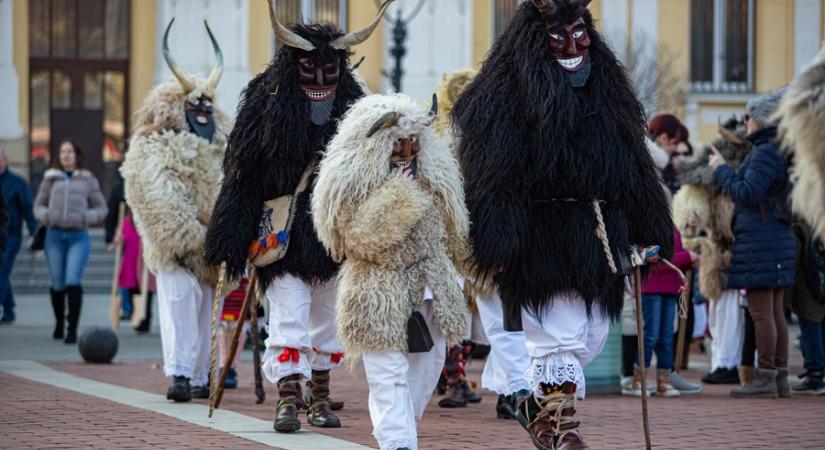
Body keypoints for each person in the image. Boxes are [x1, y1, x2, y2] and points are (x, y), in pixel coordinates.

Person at [451, 1, 673, 448]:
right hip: (542, 234)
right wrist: (498, 241)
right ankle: (565, 427)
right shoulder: (503, 98)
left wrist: (649, 228)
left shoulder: (610, 97)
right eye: (558, 38)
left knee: (589, 333)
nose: (572, 47)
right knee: (561, 333)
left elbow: (633, 167)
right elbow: (494, 178)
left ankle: (536, 408)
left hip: (598, 235)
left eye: (579, 34)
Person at [204, 2, 390, 432]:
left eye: (331, 71)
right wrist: (232, 235)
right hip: (282, 232)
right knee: (288, 313)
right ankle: (288, 398)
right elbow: (242, 174)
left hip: (331, 234)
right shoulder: (264, 102)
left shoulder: (355, 110)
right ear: (293, 68)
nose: (322, 80)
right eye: (310, 69)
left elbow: (368, 174)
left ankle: (319, 399)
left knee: (326, 318)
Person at [311, 92, 470, 450]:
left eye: (413, 140)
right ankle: (397, 442)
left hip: (432, 283)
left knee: (429, 365)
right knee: (387, 370)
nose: (407, 150)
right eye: (396, 141)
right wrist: (402, 195)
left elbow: (455, 229)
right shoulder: (350, 183)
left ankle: (402, 430)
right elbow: (357, 238)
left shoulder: (437, 174)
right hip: (376, 286)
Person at [121, 20, 227, 402]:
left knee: (206, 314)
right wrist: (189, 239)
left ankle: (202, 374)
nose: (201, 110)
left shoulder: (222, 149)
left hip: (212, 248)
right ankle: (180, 373)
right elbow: (156, 197)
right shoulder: (155, 146)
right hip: (175, 248)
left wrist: (225, 235)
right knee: (180, 303)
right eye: (192, 104)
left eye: (206, 104)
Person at [709, 92, 796, 398]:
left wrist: (721, 169)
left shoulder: (764, 152)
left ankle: (766, 377)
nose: (745, 121)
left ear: (760, 119)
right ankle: (779, 377)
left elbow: (746, 193)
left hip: (762, 240)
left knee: (762, 313)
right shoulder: (779, 149)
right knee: (774, 312)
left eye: (748, 116)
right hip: (775, 238)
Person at [672, 117, 752, 385]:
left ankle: (728, 363)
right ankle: (720, 361)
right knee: (718, 314)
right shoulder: (715, 189)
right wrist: (700, 226)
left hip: (731, 254)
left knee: (730, 315)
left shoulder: (738, 181)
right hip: (716, 255)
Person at [34, 139, 108, 344]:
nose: (66, 155)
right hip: (54, 236)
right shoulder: (50, 178)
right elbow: (38, 205)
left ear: (77, 155)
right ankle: (59, 322)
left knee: (72, 280)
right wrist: (47, 216)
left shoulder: (88, 179)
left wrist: (87, 217)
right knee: (57, 283)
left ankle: (72, 329)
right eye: (63, 151)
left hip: (78, 237)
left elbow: (102, 208)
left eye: (70, 151)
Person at [0, 148, 38, 324]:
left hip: (11, 235)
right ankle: (9, 310)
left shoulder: (17, 183)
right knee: (3, 274)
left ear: (5, 161)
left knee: (2, 271)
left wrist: (34, 233)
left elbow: (27, 209)